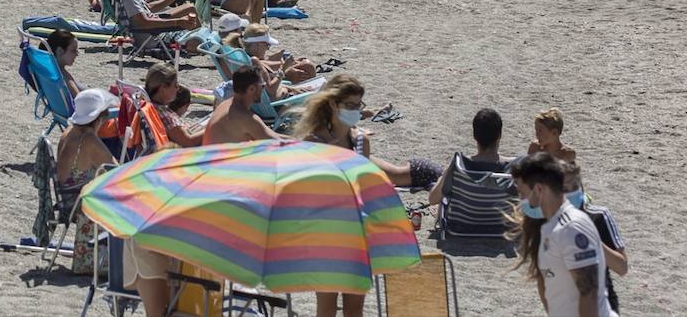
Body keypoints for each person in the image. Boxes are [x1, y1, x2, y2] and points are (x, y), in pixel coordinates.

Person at [296, 75, 439, 317]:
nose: (356, 111)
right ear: (333, 104)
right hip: (325, 234)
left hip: (357, 234)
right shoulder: (313, 142)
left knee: (355, 309)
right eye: (350, 105)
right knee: (326, 308)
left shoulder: (360, 141)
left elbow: (366, 188)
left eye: (359, 105)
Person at [509, 153, 611, 317]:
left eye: (523, 193)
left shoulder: (572, 228)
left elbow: (589, 295)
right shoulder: (551, 227)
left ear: (539, 189)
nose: (522, 200)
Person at [56, 88, 116, 275]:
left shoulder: (68, 132)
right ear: (97, 118)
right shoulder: (89, 141)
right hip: (78, 203)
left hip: (65, 197)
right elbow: (116, 171)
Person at [562, 162, 628, 315]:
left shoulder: (598, 216)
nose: (570, 193)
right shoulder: (547, 221)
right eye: (564, 189)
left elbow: (622, 267)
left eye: (575, 187)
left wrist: (594, 240)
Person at [427, 108, 510, 207]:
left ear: (474, 136)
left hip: (462, 222)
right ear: (499, 135)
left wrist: (443, 178)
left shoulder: (459, 165)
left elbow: (433, 199)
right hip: (499, 222)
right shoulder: (514, 167)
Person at [201, 66, 281, 144]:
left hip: (213, 154)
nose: (263, 90)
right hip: (224, 157)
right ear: (251, 89)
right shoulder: (245, 117)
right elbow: (278, 142)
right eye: (262, 86)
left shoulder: (225, 104)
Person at [143, 63, 203, 147]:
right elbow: (189, 141)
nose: (177, 89)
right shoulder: (163, 114)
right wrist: (212, 127)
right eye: (175, 85)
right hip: (175, 155)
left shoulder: (146, 104)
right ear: (163, 87)